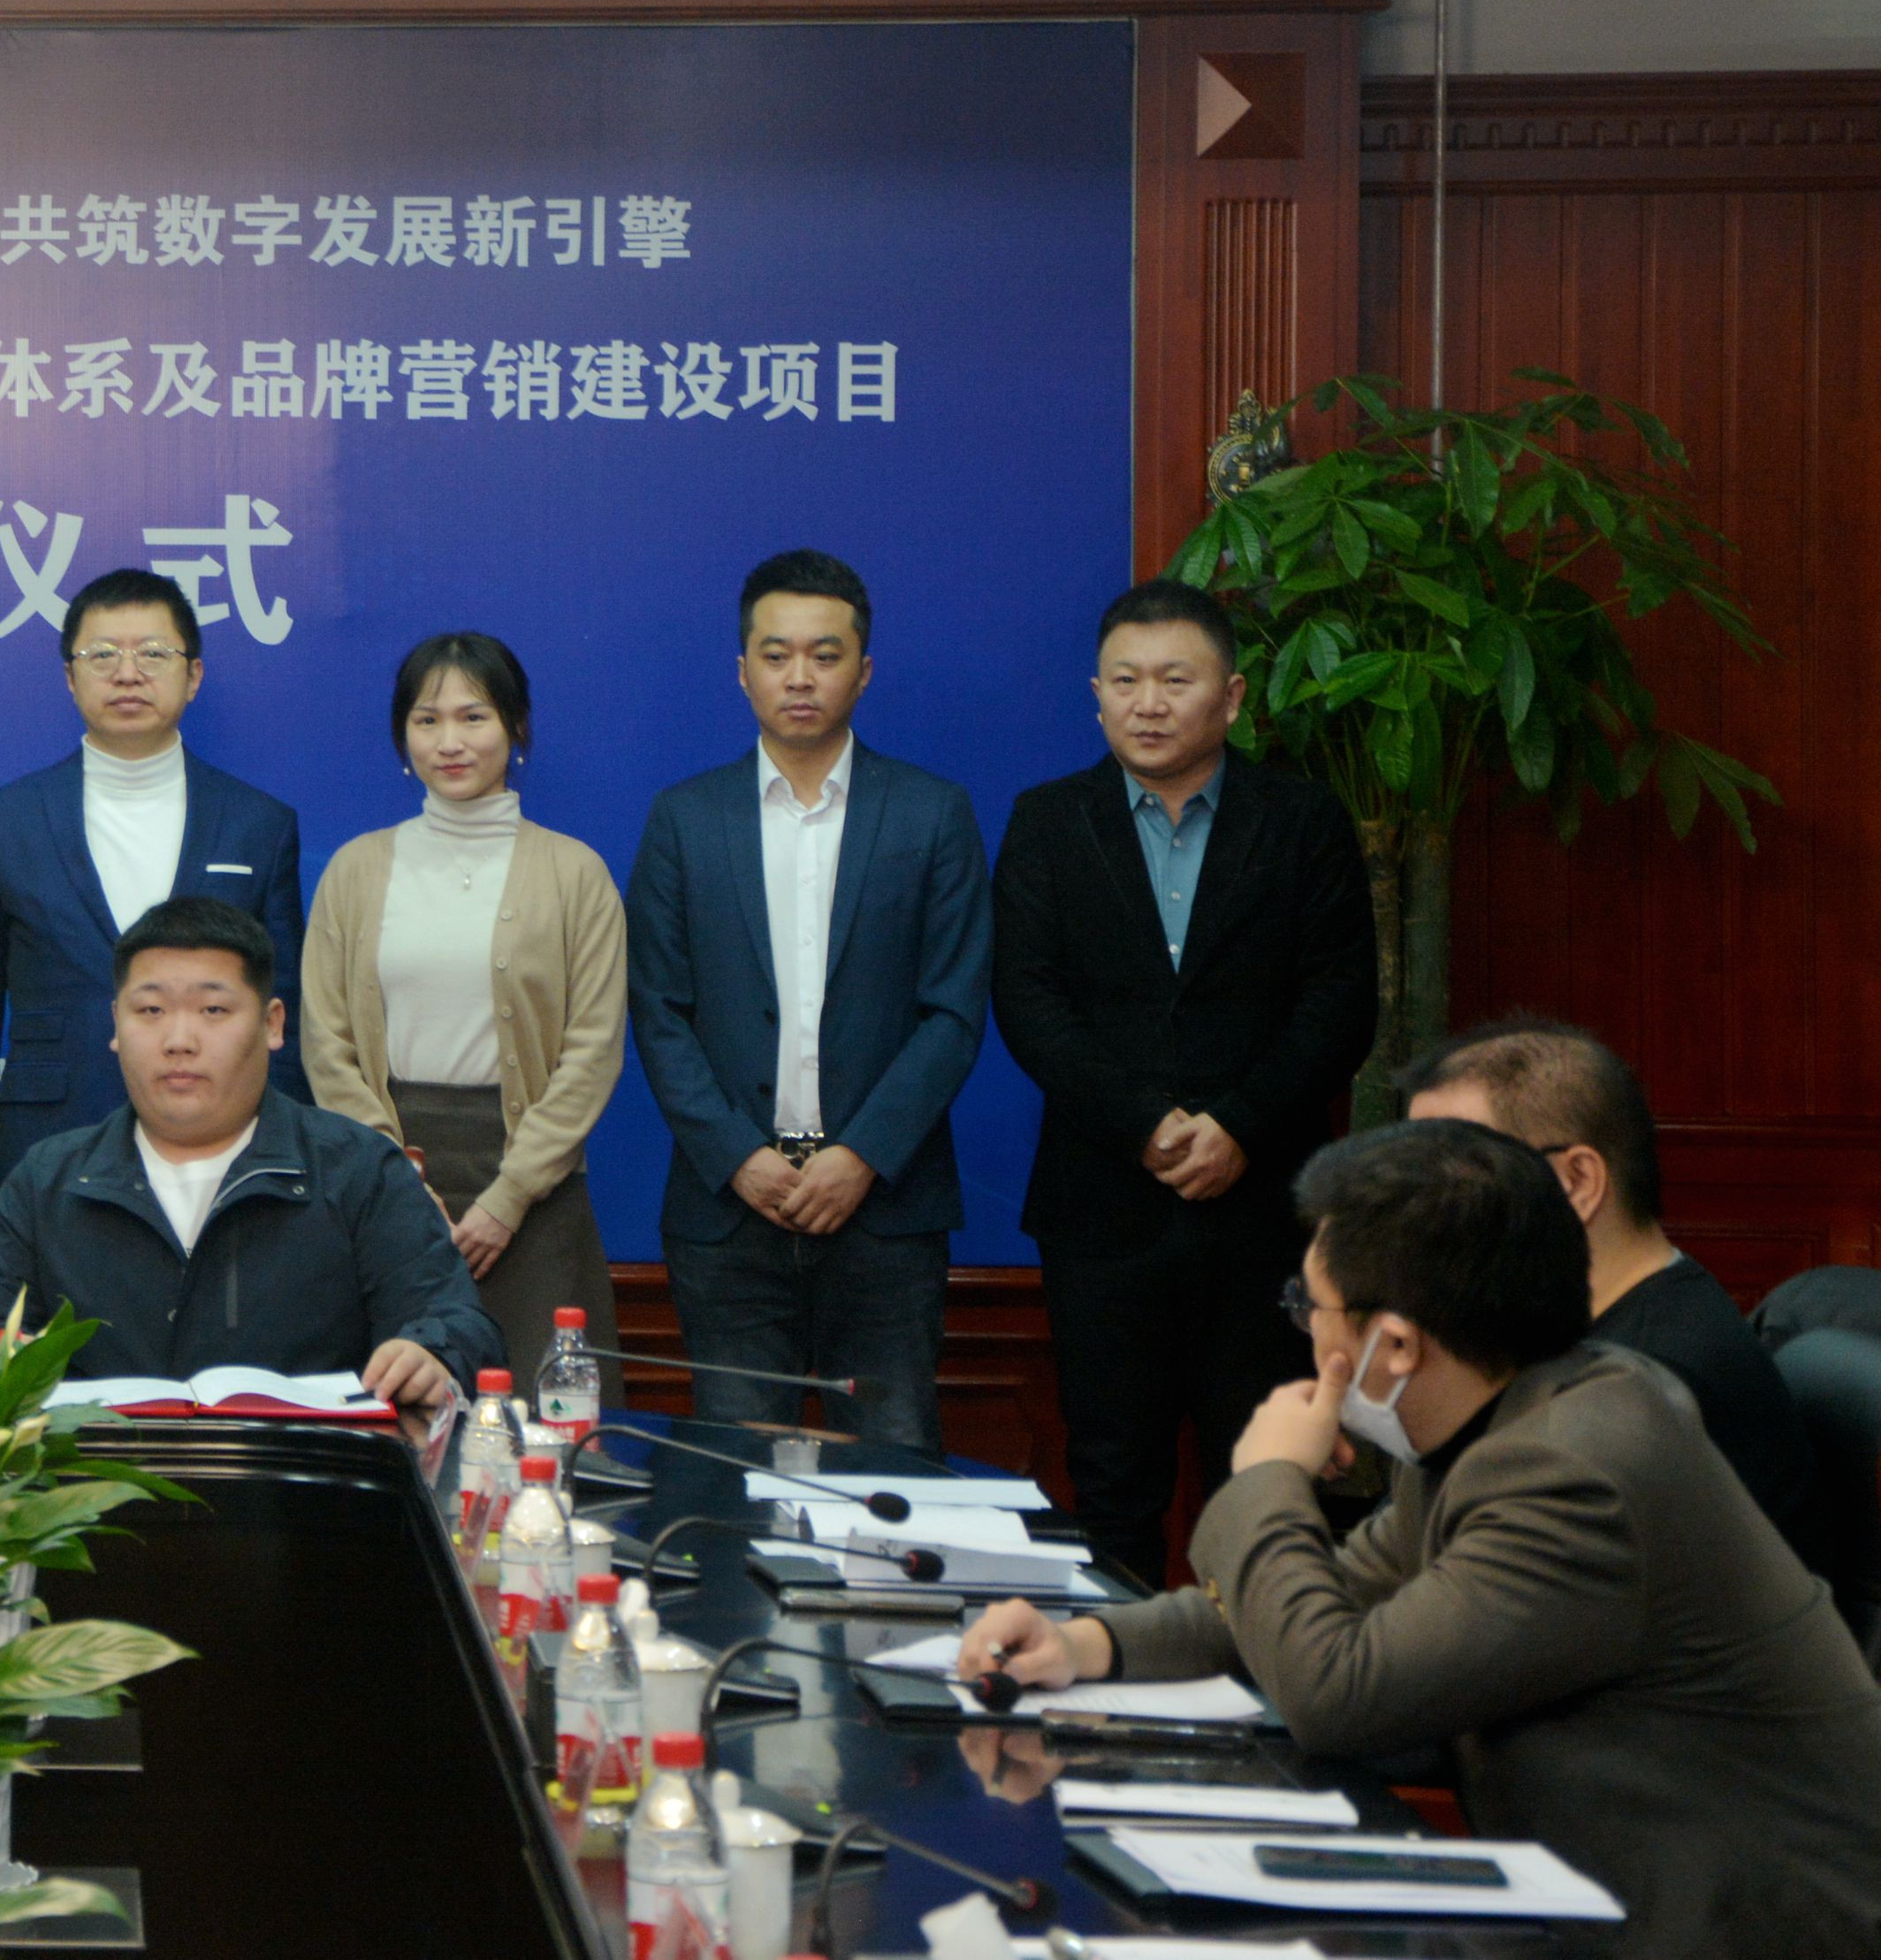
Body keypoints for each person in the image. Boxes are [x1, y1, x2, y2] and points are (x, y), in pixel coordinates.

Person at [956, 1120, 1881, 1954]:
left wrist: (1269, 1477)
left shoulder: (1577, 1469)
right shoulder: (1500, 1419)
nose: (1304, 1331)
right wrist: (1088, 1643)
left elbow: (1336, 1690)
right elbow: (1331, 1593)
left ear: (1396, 1345)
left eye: (1310, 1306)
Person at [992, 576, 1376, 1582]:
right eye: (1125, 681)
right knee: (1111, 1482)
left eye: (1175, 679)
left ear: (1233, 696)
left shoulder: (1303, 821)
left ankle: (1265, 1667)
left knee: (1264, 1485)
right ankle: (1114, 1667)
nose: (1148, 703)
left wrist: (1239, 1124)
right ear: (1097, 696)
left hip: (1263, 1213)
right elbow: (1028, 1000)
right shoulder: (1048, 821)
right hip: (1102, 1210)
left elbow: (1340, 1004)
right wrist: (1143, 1125)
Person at [626, 550, 988, 1450]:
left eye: (825, 655)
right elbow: (658, 1012)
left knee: (891, 1471)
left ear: (862, 670)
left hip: (885, 1212)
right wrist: (738, 1155)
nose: (800, 676)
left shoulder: (932, 813)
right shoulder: (685, 818)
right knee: (738, 1473)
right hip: (730, 1211)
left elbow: (953, 1012)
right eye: (776, 654)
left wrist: (861, 1155)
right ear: (742, 670)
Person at [0, 897, 501, 1404]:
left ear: (272, 1024)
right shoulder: (49, 1179)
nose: (179, 1041)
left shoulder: (358, 1169)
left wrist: (432, 1356)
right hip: (94, 1474)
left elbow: (458, 1324)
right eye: (151, 1011)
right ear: (115, 1024)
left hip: (306, 1475)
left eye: (213, 1010)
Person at [0, 568, 304, 1264]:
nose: (128, 673)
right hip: (45, 1147)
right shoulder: (5, 821)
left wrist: (286, 1166)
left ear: (193, 676)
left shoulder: (258, 824)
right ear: (70, 678)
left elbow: (286, 1016)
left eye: (153, 654)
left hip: (223, 1151)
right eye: (102, 654)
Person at [300, 631, 628, 1380]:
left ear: (516, 727)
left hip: (532, 1184)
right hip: (386, 1178)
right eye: (427, 720)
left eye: (473, 717)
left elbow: (594, 1049)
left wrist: (509, 1196)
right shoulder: (355, 869)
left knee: (543, 1421)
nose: (449, 741)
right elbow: (327, 1042)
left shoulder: (576, 873)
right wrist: (395, 1179)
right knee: (393, 1408)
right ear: (403, 737)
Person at [1397, 1016, 1814, 1537]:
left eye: (1450, 1175)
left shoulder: (1653, 1385)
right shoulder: (1565, 1332)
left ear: (1577, 1182)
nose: (1416, 1210)